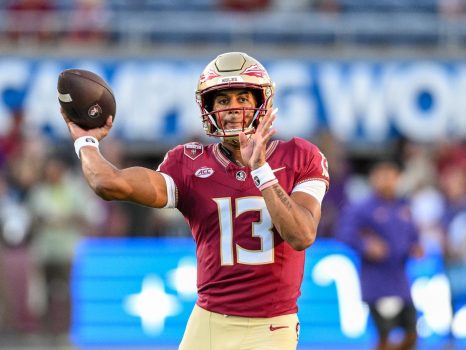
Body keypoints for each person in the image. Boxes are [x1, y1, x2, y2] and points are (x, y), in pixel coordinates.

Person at [61, 52, 330, 350]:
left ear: (260, 103)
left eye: (243, 98)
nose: (233, 109)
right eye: (223, 100)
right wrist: (85, 140)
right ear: (209, 108)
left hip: (271, 325)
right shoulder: (189, 164)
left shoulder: (299, 156)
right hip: (208, 321)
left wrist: (261, 171)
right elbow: (107, 183)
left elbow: (302, 235)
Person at [336, 161, 423, 350]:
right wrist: (366, 245)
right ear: (373, 179)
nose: (388, 181)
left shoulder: (404, 207)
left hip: (400, 281)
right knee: (384, 335)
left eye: (391, 176)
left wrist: (415, 247)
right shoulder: (362, 207)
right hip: (377, 282)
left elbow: (413, 236)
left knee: (412, 334)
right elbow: (344, 233)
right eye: (383, 176)